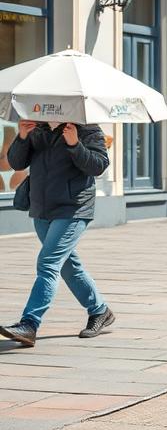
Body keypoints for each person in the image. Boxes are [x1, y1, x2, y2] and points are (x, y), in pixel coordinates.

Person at [0, 121, 114, 348]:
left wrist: (75, 144)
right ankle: (100, 310)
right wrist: (22, 136)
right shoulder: (37, 128)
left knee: (48, 263)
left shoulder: (88, 130)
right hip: (42, 208)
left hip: (74, 208)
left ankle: (29, 324)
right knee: (68, 265)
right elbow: (16, 162)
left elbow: (98, 166)